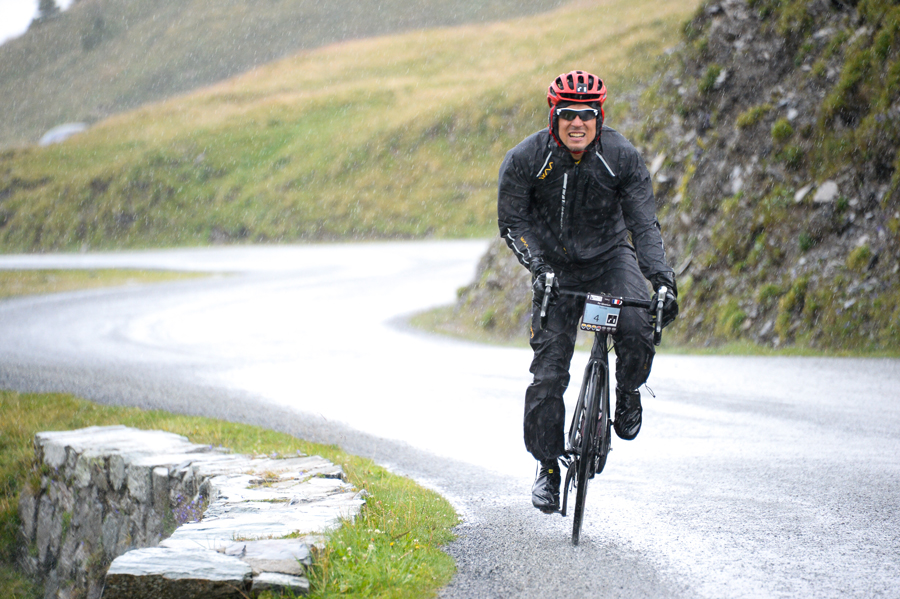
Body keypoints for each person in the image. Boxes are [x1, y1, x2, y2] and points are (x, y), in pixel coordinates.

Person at [497, 70, 679, 513]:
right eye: (567, 114)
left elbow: (643, 224)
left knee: (637, 326)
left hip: (609, 259)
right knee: (548, 376)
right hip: (554, 267)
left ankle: (628, 389)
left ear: (599, 116)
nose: (577, 123)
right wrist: (537, 266)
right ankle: (548, 467)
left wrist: (660, 280)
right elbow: (512, 223)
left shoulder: (622, 157)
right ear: (553, 116)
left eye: (587, 114)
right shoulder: (526, 159)